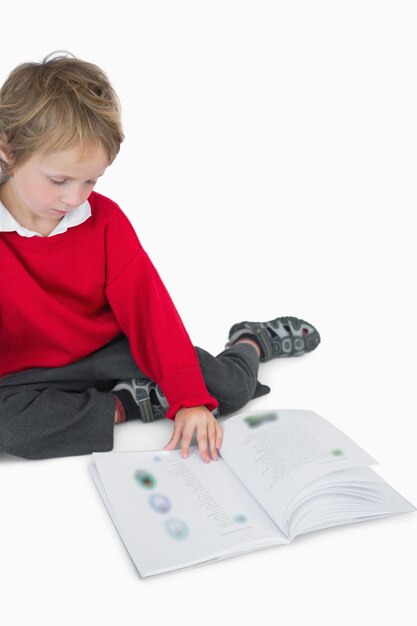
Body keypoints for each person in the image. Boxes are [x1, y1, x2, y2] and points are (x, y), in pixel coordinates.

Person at [0, 51, 321, 463]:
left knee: (224, 390)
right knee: (13, 430)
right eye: (59, 180)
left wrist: (188, 398)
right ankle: (129, 404)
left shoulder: (105, 220)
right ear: (7, 149)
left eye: (91, 181)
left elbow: (149, 311)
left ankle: (250, 342)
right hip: (27, 373)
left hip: (112, 349)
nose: (75, 198)